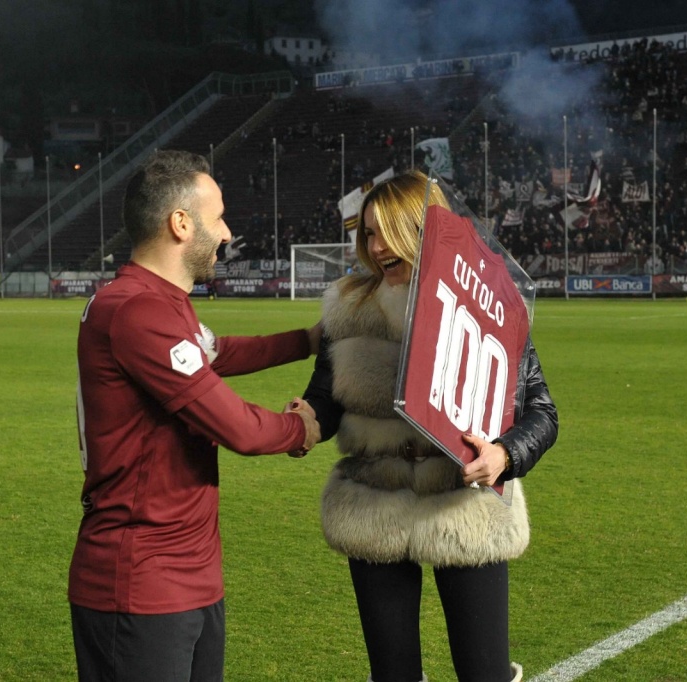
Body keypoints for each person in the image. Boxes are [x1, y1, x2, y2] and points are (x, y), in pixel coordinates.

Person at [69, 150, 321, 682]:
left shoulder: (160, 302)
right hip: (140, 582)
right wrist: (305, 428)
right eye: (219, 216)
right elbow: (236, 427)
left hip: (189, 576)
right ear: (181, 223)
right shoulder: (137, 310)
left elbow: (218, 352)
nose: (227, 232)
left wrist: (310, 341)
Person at [299, 171, 558, 682]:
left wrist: (503, 456)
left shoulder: (488, 303)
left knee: (484, 673)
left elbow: (542, 413)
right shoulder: (348, 308)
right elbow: (325, 397)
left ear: (424, 230)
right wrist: (303, 419)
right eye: (367, 234)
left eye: (385, 232)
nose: (375, 247)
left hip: (465, 505)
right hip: (375, 501)